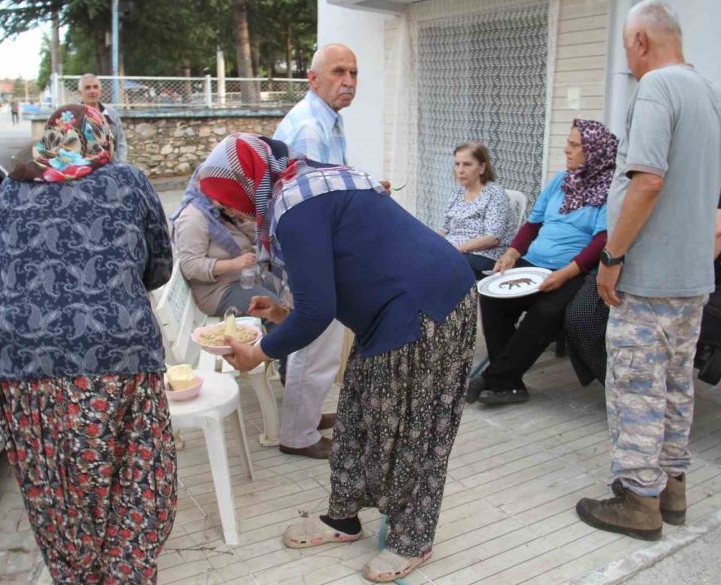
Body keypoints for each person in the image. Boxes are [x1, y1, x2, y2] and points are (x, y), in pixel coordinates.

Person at [197, 133, 477, 582]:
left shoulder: (295, 204)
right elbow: (329, 285)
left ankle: (412, 540)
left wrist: (259, 354)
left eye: (229, 204)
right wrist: (282, 313)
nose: (234, 214)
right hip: (388, 311)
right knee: (358, 413)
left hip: (428, 305)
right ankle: (343, 518)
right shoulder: (308, 182)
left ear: (244, 187)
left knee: (412, 429)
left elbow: (319, 310)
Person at [0, 104, 176, 583]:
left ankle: (77, 573)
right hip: (119, 352)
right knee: (132, 474)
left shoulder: (13, 187)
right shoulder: (129, 181)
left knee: (55, 487)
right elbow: (159, 267)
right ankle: (126, 572)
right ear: (103, 139)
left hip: (24, 360)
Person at [575, 0, 721, 541]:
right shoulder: (714, 98)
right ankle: (672, 489)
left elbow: (647, 180)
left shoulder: (657, 89)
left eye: (626, 48)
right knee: (673, 387)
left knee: (636, 389)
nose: (628, 60)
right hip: (693, 279)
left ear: (641, 42)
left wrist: (612, 258)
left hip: (649, 278)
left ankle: (638, 502)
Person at [468, 119, 618, 405]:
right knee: (493, 297)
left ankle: (496, 379)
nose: (566, 150)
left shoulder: (609, 191)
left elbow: (602, 240)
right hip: (534, 261)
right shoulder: (560, 181)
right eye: (568, 143)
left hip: (573, 269)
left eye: (574, 145)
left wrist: (565, 273)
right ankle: (508, 382)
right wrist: (512, 253)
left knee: (546, 311)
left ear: (595, 151)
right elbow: (532, 224)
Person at [268, 43, 359, 459]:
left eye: (354, 73)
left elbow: (331, 184)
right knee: (316, 344)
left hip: (320, 243)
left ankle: (304, 418)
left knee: (319, 345)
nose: (348, 81)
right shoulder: (309, 126)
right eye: (339, 72)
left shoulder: (329, 119)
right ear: (313, 78)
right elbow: (316, 202)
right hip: (313, 248)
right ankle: (298, 435)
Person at [564, 189, 721, 387]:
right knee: (580, 317)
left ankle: (631, 389)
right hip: (629, 268)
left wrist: (679, 277)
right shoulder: (647, 179)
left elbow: (719, 231)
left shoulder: (702, 183)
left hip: (668, 282)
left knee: (627, 329)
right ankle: (617, 385)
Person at [171, 168, 282, 320]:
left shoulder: (220, 210)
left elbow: (255, 234)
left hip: (245, 278)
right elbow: (190, 266)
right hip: (219, 292)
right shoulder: (193, 218)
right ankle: (269, 343)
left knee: (290, 290)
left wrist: (245, 216)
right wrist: (234, 264)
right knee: (274, 309)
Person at [438, 142, 515, 278]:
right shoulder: (457, 192)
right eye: (457, 164)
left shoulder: (494, 193)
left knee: (443, 266)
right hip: (454, 252)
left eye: (467, 164)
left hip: (484, 255)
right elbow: (445, 229)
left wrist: (457, 249)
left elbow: (492, 238)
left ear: (482, 168)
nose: (460, 170)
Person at [79, 73, 128, 163]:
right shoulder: (74, 115)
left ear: (100, 91)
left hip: (112, 167)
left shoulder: (111, 113)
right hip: (84, 169)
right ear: (80, 92)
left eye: (95, 87)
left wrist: (121, 164)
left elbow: (121, 143)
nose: (92, 91)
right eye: (87, 87)